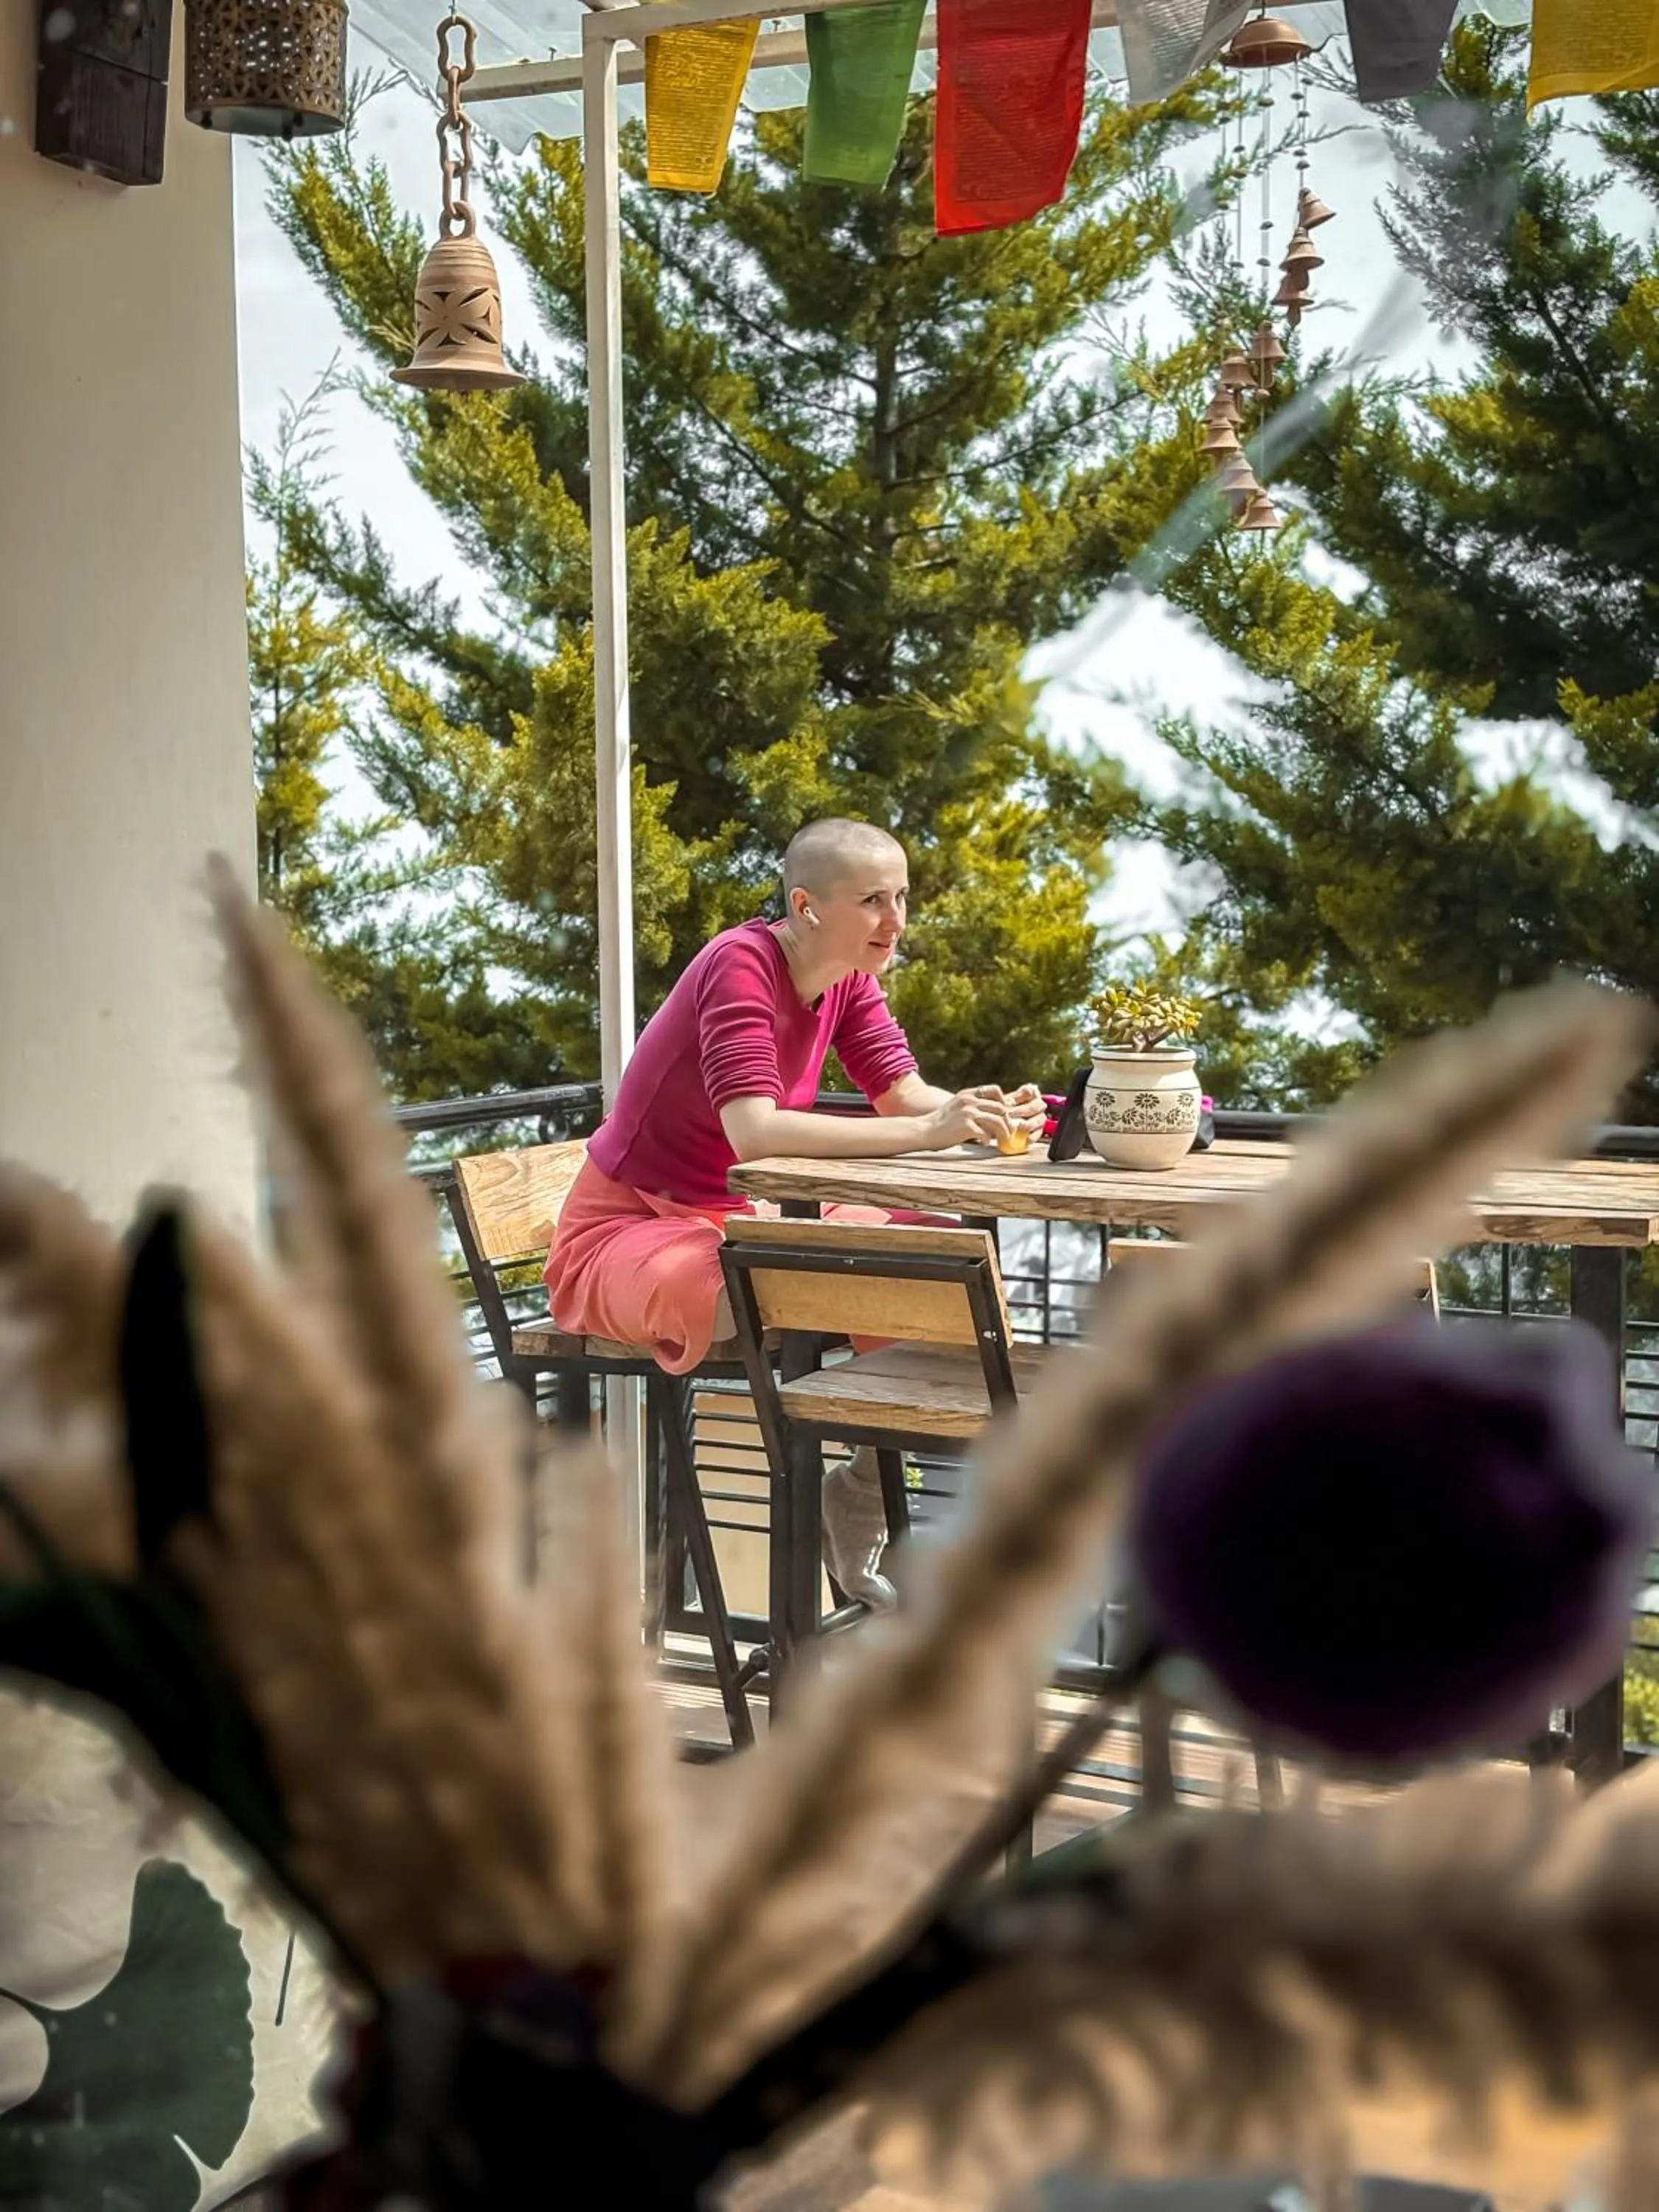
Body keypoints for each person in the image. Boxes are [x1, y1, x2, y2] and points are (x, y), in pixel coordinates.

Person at [545, 818, 1046, 1607]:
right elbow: (755, 1128)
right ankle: (815, 1465)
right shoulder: (738, 964)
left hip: (749, 1219)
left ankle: (866, 1489)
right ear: (807, 905)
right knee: (732, 1287)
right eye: (874, 900)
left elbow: (903, 1094)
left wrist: (975, 1111)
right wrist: (924, 1132)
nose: (897, 919)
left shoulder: (847, 975)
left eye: (903, 896)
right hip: (630, 1227)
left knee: (939, 1260)